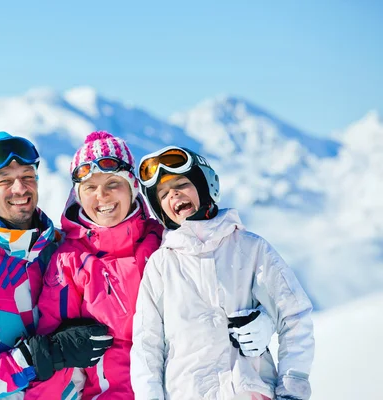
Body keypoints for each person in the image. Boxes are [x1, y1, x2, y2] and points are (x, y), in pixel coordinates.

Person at [24, 132, 273, 400]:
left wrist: (266, 319)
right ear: (78, 195)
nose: (102, 196)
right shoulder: (69, 262)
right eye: (90, 188)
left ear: (132, 187)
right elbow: (54, 356)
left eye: (112, 183)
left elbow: (221, 286)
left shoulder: (166, 241)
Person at [0, 131, 113, 400]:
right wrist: (45, 355)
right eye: (5, 181)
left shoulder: (62, 248)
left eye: (28, 177)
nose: (20, 188)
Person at [130, 145, 315, 400]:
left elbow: (295, 315)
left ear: (206, 186)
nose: (174, 194)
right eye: (162, 193)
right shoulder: (161, 267)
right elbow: (146, 346)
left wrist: (292, 386)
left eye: (182, 184)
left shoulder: (250, 249)